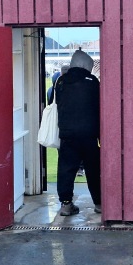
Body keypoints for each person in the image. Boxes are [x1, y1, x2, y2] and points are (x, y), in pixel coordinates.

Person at [55, 49, 101, 215]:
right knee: (94, 169)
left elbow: (56, 102)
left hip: (67, 134)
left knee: (66, 169)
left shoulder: (61, 81)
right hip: (89, 134)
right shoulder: (93, 81)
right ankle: (99, 203)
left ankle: (66, 204)